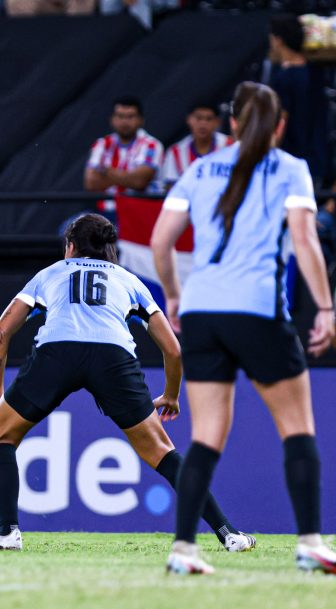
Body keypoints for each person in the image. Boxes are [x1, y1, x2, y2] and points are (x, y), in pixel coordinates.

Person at [0, 214, 255, 553]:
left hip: (57, 353)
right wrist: (171, 394)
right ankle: (229, 534)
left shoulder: (48, 275)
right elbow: (173, 350)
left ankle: (7, 533)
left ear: (71, 246)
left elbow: (0, 333)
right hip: (113, 357)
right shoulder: (129, 281)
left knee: (0, 436)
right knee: (162, 452)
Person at [151, 82, 336, 575]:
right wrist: (326, 307)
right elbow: (304, 239)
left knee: (207, 433)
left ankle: (184, 550)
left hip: (202, 312)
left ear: (232, 123)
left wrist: (172, 294)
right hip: (257, 310)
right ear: (280, 125)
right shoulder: (291, 168)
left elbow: (161, 241)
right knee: (297, 428)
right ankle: (311, 543)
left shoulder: (199, 167)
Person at [268, 14, 329, 187]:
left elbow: (281, 120)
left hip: (291, 162)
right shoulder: (317, 72)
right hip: (318, 160)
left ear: (278, 40)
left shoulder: (283, 79)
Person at [84, 96, 163, 224]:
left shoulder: (152, 145)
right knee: (68, 229)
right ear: (112, 120)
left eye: (130, 117)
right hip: (103, 213)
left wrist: (106, 172)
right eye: (120, 116)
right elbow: (91, 183)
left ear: (140, 120)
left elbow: (139, 181)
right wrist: (128, 177)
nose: (125, 122)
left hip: (139, 213)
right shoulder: (102, 144)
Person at [161, 102, 232, 190]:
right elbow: (171, 187)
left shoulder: (230, 146)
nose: (203, 123)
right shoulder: (176, 152)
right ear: (189, 120)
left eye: (209, 119)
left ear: (217, 122)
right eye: (198, 118)